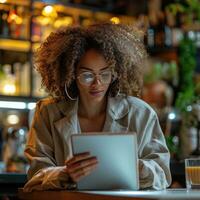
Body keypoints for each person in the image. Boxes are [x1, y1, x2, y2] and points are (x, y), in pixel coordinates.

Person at [23, 23, 171, 192]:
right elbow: (35, 176)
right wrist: (65, 174)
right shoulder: (47, 113)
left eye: (105, 74)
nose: (97, 83)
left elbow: (163, 174)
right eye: (87, 75)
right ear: (70, 74)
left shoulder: (140, 113)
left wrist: (137, 168)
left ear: (116, 72)